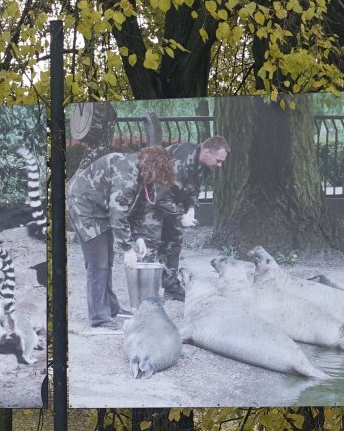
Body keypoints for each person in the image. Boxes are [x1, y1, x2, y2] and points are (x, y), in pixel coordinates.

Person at [67, 145, 187, 329]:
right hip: (84, 207)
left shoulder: (141, 176)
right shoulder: (128, 171)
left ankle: (111, 308)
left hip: (100, 208)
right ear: (153, 166)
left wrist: (138, 237)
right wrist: (127, 248)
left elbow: (137, 210)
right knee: (97, 263)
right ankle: (99, 317)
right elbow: (118, 210)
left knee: (106, 261)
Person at [142, 136, 230, 300]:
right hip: (151, 203)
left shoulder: (204, 166)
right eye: (218, 160)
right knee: (151, 244)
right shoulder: (180, 161)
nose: (220, 165)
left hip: (170, 203)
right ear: (206, 152)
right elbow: (159, 196)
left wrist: (191, 208)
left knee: (175, 240)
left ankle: (171, 287)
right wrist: (181, 216)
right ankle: (146, 293)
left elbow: (193, 189)